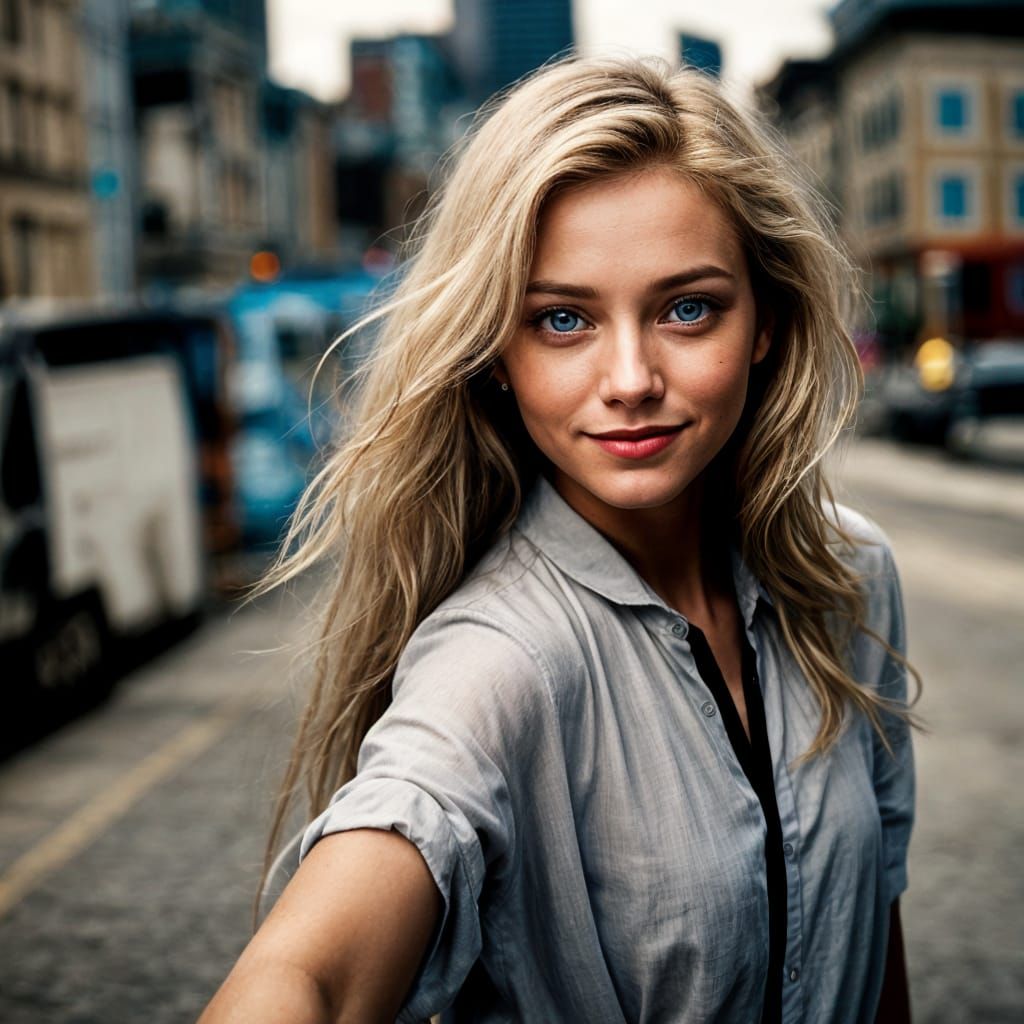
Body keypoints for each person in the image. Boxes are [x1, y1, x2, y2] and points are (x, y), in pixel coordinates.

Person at [199, 56, 917, 1024]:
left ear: (765, 322)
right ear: (496, 350)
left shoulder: (851, 576)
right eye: (563, 319)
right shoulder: (497, 661)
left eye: (686, 307)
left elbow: (878, 935)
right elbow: (313, 978)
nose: (629, 377)